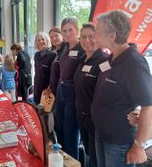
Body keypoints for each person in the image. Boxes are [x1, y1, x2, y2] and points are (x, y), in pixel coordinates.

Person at [91, 10, 152, 167]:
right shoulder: (113, 57)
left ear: (111, 36)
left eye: (97, 32)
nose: (94, 36)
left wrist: (139, 146)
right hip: (103, 133)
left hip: (118, 142)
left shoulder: (134, 62)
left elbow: (148, 106)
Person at [74, 23, 109, 167]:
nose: (87, 40)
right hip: (81, 115)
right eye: (84, 37)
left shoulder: (105, 60)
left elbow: (108, 92)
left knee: (96, 159)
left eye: (91, 37)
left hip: (96, 120)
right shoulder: (82, 59)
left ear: (99, 38)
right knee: (88, 153)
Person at [53, 17, 85, 159]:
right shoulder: (65, 47)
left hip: (72, 92)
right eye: (64, 31)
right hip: (61, 89)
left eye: (70, 30)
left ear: (77, 29)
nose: (67, 33)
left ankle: (72, 161)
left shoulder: (82, 48)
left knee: (70, 131)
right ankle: (62, 159)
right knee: (58, 127)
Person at [33, 32, 56, 105]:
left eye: (43, 39)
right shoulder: (36, 55)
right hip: (37, 87)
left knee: (46, 111)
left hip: (47, 89)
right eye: (38, 40)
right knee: (37, 110)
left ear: (47, 40)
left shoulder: (53, 55)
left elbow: (54, 74)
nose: (40, 42)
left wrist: (49, 87)